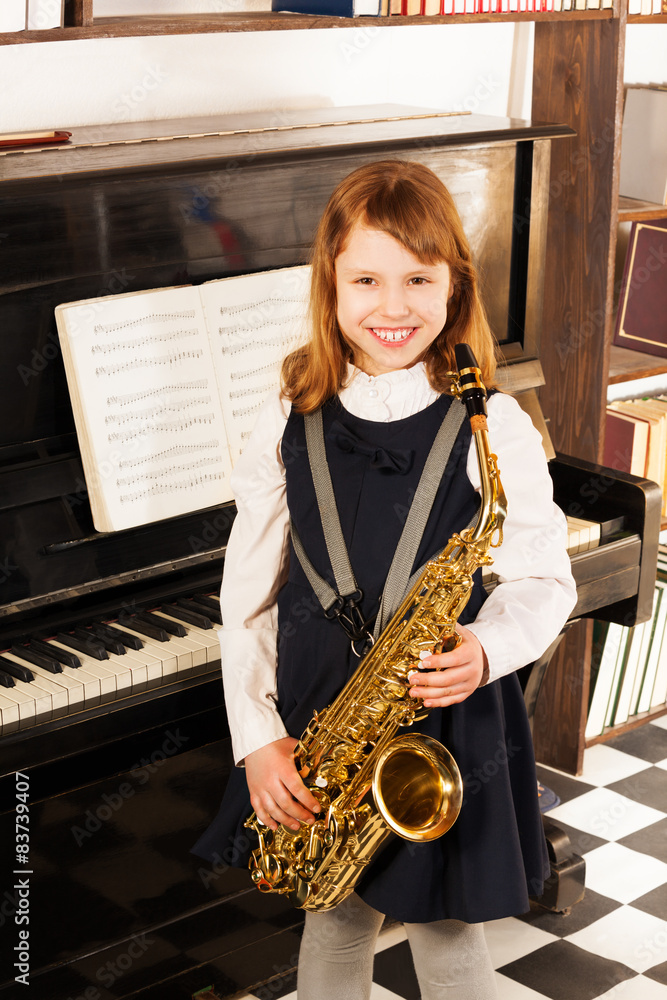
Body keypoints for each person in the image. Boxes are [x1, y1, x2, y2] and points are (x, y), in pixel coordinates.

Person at [193, 159, 577, 1000]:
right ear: (328, 284)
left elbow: (545, 579)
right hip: (323, 708)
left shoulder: (493, 423)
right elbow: (247, 598)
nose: (392, 306)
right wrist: (257, 737)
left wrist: (485, 646)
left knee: (446, 933)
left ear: (454, 285)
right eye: (365, 279)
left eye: (417, 278)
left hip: (444, 713)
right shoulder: (285, 416)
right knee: (330, 921)